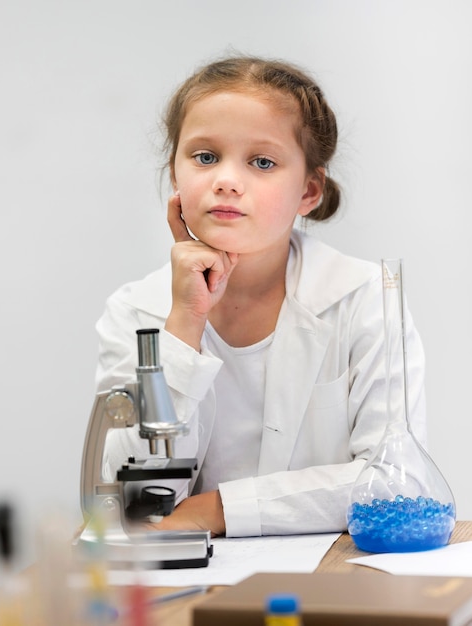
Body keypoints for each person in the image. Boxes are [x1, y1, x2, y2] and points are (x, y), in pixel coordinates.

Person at [95, 55, 426, 538]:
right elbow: (130, 495)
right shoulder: (133, 310)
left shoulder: (365, 300)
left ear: (309, 191)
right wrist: (185, 323)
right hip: (183, 579)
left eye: (262, 162)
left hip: (328, 574)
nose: (226, 180)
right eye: (205, 157)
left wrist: (217, 511)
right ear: (175, 175)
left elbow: (397, 482)